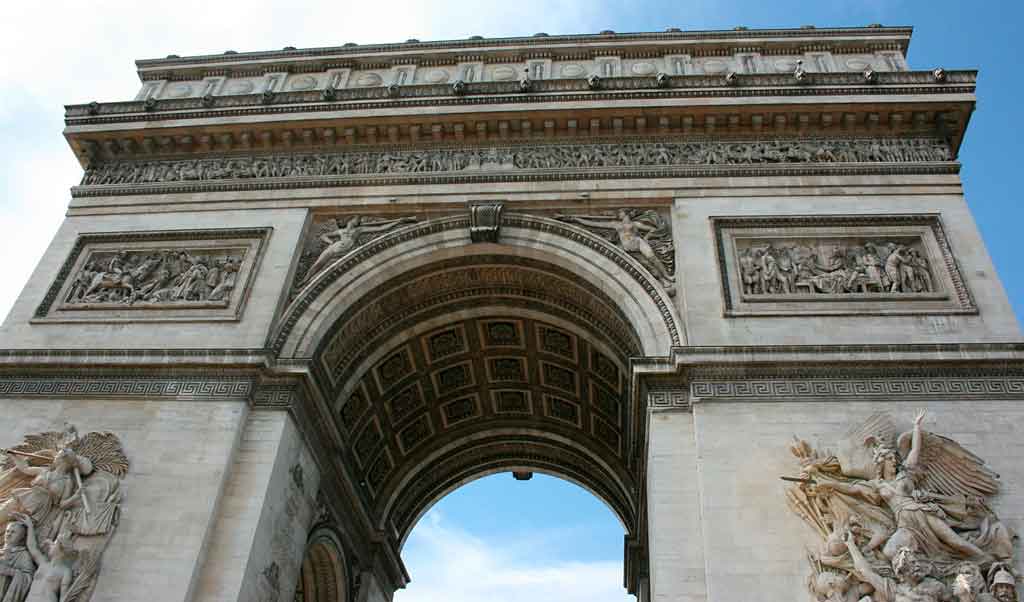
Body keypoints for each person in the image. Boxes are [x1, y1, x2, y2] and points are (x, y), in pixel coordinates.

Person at [0, 520, 34, 602]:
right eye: (7, 531)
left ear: (21, 536)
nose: (9, 534)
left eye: (13, 532)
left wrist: (10, 571)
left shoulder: (23, 555)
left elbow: (27, 578)